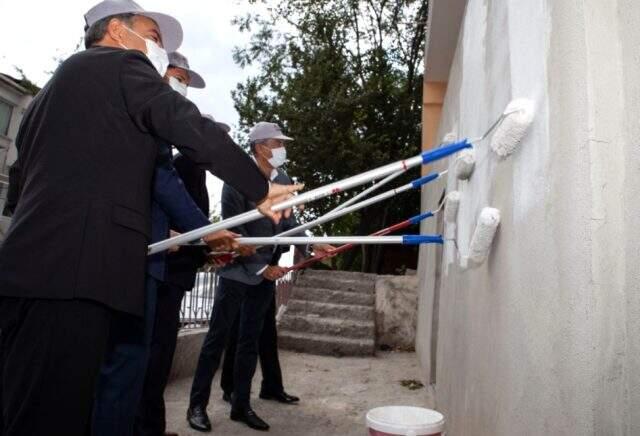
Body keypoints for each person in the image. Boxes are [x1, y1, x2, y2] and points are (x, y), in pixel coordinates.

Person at [0, 1, 300, 434]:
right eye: (154, 37)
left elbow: (22, 179)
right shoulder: (120, 63)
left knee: (29, 401)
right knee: (53, 413)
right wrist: (258, 189)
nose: (157, 49)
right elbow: (185, 122)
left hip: (33, 270)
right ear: (119, 32)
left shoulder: (51, 93)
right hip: (76, 275)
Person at [91, 52, 228, 436]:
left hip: (169, 269)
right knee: (127, 365)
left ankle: (148, 427)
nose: (182, 85)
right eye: (178, 76)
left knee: (148, 364)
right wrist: (202, 235)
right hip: (141, 264)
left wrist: (204, 239)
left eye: (186, 79)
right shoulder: (144, 128)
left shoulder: (175, 152)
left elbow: (182, 203)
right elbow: (158, 189)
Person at [186, 122, 333, 433]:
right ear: (260, 148)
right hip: (237, 272)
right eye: (277, 143)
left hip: (265, 274)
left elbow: (290, 224)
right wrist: (261, 268)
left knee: (249, 344)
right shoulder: (235, 183)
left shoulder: (283, 180)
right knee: (216, 341)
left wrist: (310, 242)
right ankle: (196, 406)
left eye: (282, 142)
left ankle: (241, 406)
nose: (282, 148)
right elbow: (234, 236)